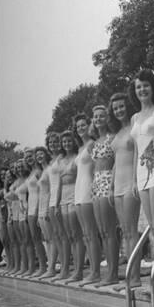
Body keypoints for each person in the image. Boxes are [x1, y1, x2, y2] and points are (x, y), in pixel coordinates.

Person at [129, 68, 154, 293]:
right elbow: (136, 150)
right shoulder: (135, 118)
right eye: (138, 86)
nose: (142, 89)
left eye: (145, 85)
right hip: (141, 174)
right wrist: (135, 180)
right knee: (152, 227)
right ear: (134, 91)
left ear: (152, 87)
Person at [107, 93, 141, 291]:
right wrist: (111, 186)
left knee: (131, 230)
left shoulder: (134, 127)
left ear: (127, 106)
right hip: (117, 186)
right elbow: (115, 163)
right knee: (125, 232)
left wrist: (136, 180)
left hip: (130, 183)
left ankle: (135, 277)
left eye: (121, 106)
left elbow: (138, 153)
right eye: (115, 108)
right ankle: (130, 275)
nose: (119, 110)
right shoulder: (118, 133)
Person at [90, 105, 120, 286]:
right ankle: (108, 272)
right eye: (96, 116)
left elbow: (117, 162)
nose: (98, 119)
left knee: (110, 230)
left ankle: (113, 273)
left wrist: (112, 186)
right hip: (96, 182)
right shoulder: (95, 142)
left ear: (107, 118)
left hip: (108, 179)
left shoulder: (112, 138)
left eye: (102, 116)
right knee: (102, 231)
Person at [72, 113, 102, 286]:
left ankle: (96, 272)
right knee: (86, 235)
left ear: (88, 126)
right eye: (78, 126)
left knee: (91, 233)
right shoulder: (80, 148)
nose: (81, 128)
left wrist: (94, 189)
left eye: (83, 125)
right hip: (78, 191)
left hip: (88, 190)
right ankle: (92, 271)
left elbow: (98, 166)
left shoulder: (91, 144)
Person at [58, 130, 85, 283]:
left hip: (75, 192)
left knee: (77, 234)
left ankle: (79, 270)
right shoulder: (61, 160)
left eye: (69, 141)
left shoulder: (77, 157)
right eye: (64, 142)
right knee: (70, 235)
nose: (67, 144)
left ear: (73, 142)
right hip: (63, 197)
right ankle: (73, 269)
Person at [46, 132, 70, 281]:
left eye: (56, 142)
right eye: (50, 142)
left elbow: (61, 182)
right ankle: (62, 266)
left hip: (59, 199)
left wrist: (57, 202)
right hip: (51, 199)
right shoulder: (51, 161)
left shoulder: (62, 159)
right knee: (57, 236)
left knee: (63, 235)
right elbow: (50, 185)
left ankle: (66, 268)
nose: (53, 144)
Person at [24, 148, 48, 277]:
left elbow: (42, 190)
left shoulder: (38, 171)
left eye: (30, 156)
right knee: (35, 239)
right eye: (26, 157)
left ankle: (44, 266)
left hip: (37, 208)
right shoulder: (31, 172)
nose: (29, 159)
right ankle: (42, 265)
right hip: (30, 208)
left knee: (38, 238)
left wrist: (39, 209)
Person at [35, 146, 57, 279]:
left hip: (48, 205)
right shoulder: (42, 171)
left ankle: (52, 268)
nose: (39, 156)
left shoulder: (49, 169)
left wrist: (49, 208)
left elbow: (51, 190)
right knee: (47, 239)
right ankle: (50, 266)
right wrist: (39, 213)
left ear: (46, 154)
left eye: (41, 154)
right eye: (37, 155)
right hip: (41, 208)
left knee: (52, 238)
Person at [0, 172, 10, 273]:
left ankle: (11, 262)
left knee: (8, 240)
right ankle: (9, 262)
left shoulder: (2, 191)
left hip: (5, 216)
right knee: (3, 240)